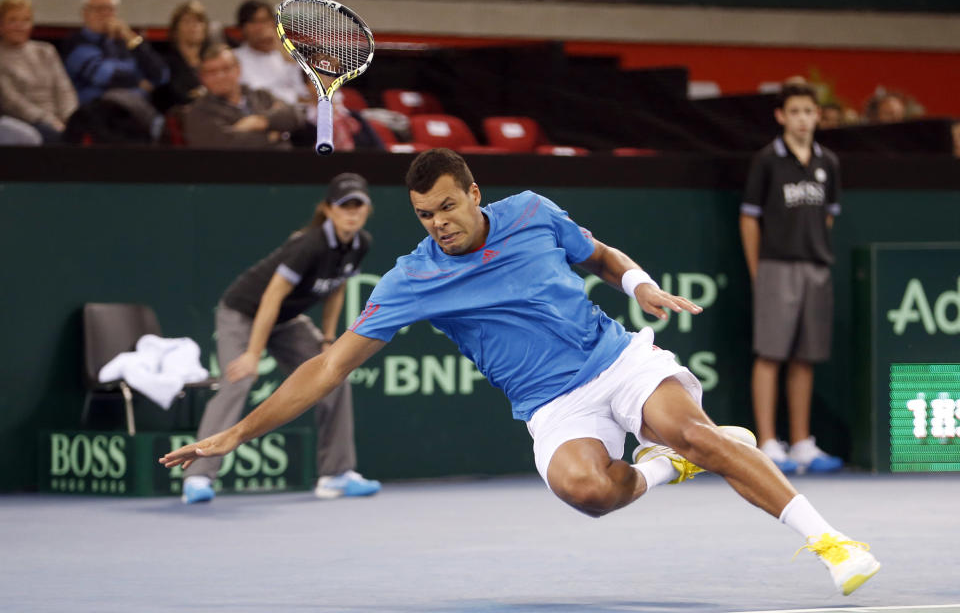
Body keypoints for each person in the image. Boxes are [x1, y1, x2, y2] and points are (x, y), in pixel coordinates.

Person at [162, 147, 880, 595]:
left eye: (447, 206)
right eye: (423, 214)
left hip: (616, 359)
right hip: (550, 408)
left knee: (695, 433)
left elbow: (598, 254)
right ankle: (663, 470)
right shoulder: (411, 279)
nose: (437, 222)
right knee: (590, 493)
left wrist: (640, 286)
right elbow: (327, 367)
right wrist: (241, 431)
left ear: (474, 193)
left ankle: (830, 542)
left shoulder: (533, 212)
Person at [181, 172, 381, 504]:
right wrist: (252, 354)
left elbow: (337, 288)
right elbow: (271, 298)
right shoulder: (310, 244)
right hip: (243, 311)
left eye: (359, 206)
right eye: (345, 206)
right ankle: (198, 477)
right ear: (329, 210)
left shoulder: (361, 244)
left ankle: (335, 475)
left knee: (335, 375)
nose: (353, 213)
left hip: (286, 321)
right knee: (239, 382)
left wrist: (329, 338)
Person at [740, 83, 844, 476]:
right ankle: (768, 443)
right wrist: (758, 270)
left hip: (816, 268)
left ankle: (801, 443)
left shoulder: (828, 162)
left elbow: (828, 215)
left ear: (818, 115)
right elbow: (749, 217)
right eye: (795, 111)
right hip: (775, 267)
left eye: (809, 111)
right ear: (781, 116)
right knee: (770, 354)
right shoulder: (767, 160)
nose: (803, 118)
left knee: (805, 356)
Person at [62, 0, 169, 105]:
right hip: (95, 112)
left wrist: (131, 38)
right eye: (99, 9)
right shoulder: (76, 43)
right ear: (85, 13)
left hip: (133, 110)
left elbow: (161, 74)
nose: (105, 14)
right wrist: (140, 82)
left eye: (110, 9)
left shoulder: (125, 42)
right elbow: (105, 76)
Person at [182, 44, 304, 149]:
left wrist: (261, 121)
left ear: (238, 69)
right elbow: (223, 143)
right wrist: (272, 135)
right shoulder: (198, 111)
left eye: (226, 68)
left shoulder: (261, 96)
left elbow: (295, 115)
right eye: (212, 72)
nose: (220, 76)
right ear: (202, 78)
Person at [0, 0, 78, 143]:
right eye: (13, 20)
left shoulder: (46, 50)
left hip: (59, 119)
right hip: (24, 120)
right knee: (54, 137)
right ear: (1, 24)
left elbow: (64, 89)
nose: (20, 26)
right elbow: (11, 101)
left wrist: (70, 118)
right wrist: (49, 121)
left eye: (26, 20)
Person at [232, 0, 310, 108]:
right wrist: (294, 98)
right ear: (243, 28)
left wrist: (283, 51)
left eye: (265, 21)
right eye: (254, 22)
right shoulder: (235, 58)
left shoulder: (284, 53)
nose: (261, 28)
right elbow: (255, 93)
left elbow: (303, 92)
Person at [153, 0, 210, 114]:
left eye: (199, 21)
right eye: (187, 21)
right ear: (175, 30)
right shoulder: (164, 64)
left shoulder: (211, 62)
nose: (194, 26)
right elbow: (178, 97)